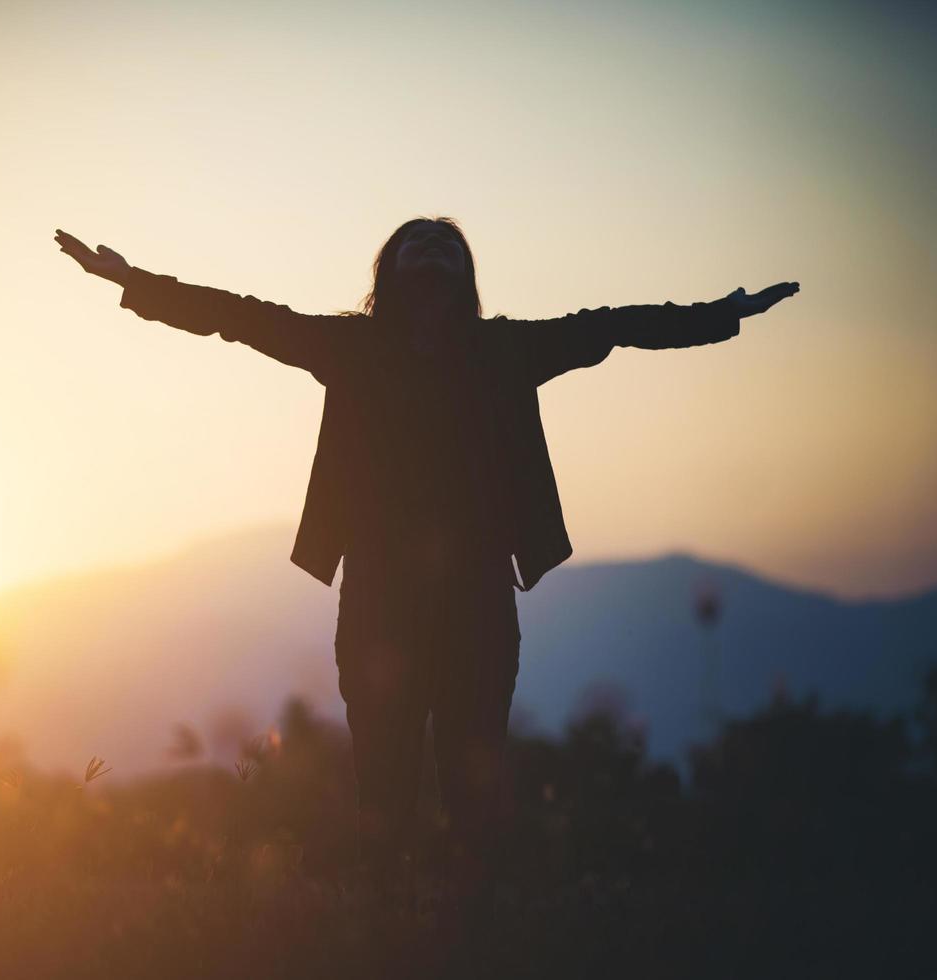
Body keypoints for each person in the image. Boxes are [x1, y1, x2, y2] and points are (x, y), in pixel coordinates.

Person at [53, 218, 798, 964]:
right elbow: (242, 319)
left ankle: (469, 942)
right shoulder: (350, 348)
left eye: (448, 245)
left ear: (464, 273)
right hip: (379, 597)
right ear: (391, 269)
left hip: (477, 596)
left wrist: (719, 315)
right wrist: (132, 282)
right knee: (383, 780)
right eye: (419, 242)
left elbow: (610, 328)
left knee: (474, 779)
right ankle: (381, 934)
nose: (435, 251)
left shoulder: (503, 349)